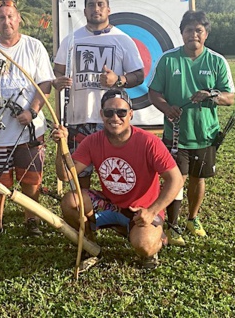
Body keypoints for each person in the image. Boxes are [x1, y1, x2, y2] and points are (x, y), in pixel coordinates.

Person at [53, 89, 183, 270]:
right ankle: (89, 242)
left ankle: (155, 238)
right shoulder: (92, 141)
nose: (115, 117)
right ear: (101, 115)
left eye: (121, 112)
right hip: (111, 204)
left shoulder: (149, 142)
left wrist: (152, 212)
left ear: (130, 114)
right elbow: (65, 175)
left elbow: (176, 180)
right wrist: (62, 146)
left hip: (143, 210)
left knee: (144, 246)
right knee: (70, 201)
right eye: (109, 112)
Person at [0, 0, 54, 243]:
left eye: (10, 16)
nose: (6, 21)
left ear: (18, 19)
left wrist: (33, 111)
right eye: (1, 18)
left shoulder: (34, 46)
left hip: (29, 130)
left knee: (31, 180)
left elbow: (45, 83)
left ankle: (32, 220)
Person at [148, 10, 235, 246]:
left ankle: (192, 218)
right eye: (188, 30)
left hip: (206, 133)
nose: (193, 34)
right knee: (177, 178)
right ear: (182, 33)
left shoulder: (217, 61)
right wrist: (167, 108)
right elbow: (154, 92)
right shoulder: (169, 59)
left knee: (198, 178)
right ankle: (173, 225)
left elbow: (230, 98)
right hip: (177, 134)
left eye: (198, 30)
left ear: (206, 34)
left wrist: (212, 96)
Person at [52, 0, 144, 189]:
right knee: (78, 177)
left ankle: (113, 215)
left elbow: (138, 76)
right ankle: (83, 215)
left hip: (112, 119)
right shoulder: (71, 40)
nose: (96, 8)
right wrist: (58, 81)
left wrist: (118, 80)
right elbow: (58, 72)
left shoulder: (122, 39)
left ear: (108, 9)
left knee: (114, 175)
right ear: (84, 11)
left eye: (100, 4)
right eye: (91, 5)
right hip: (78, 119)